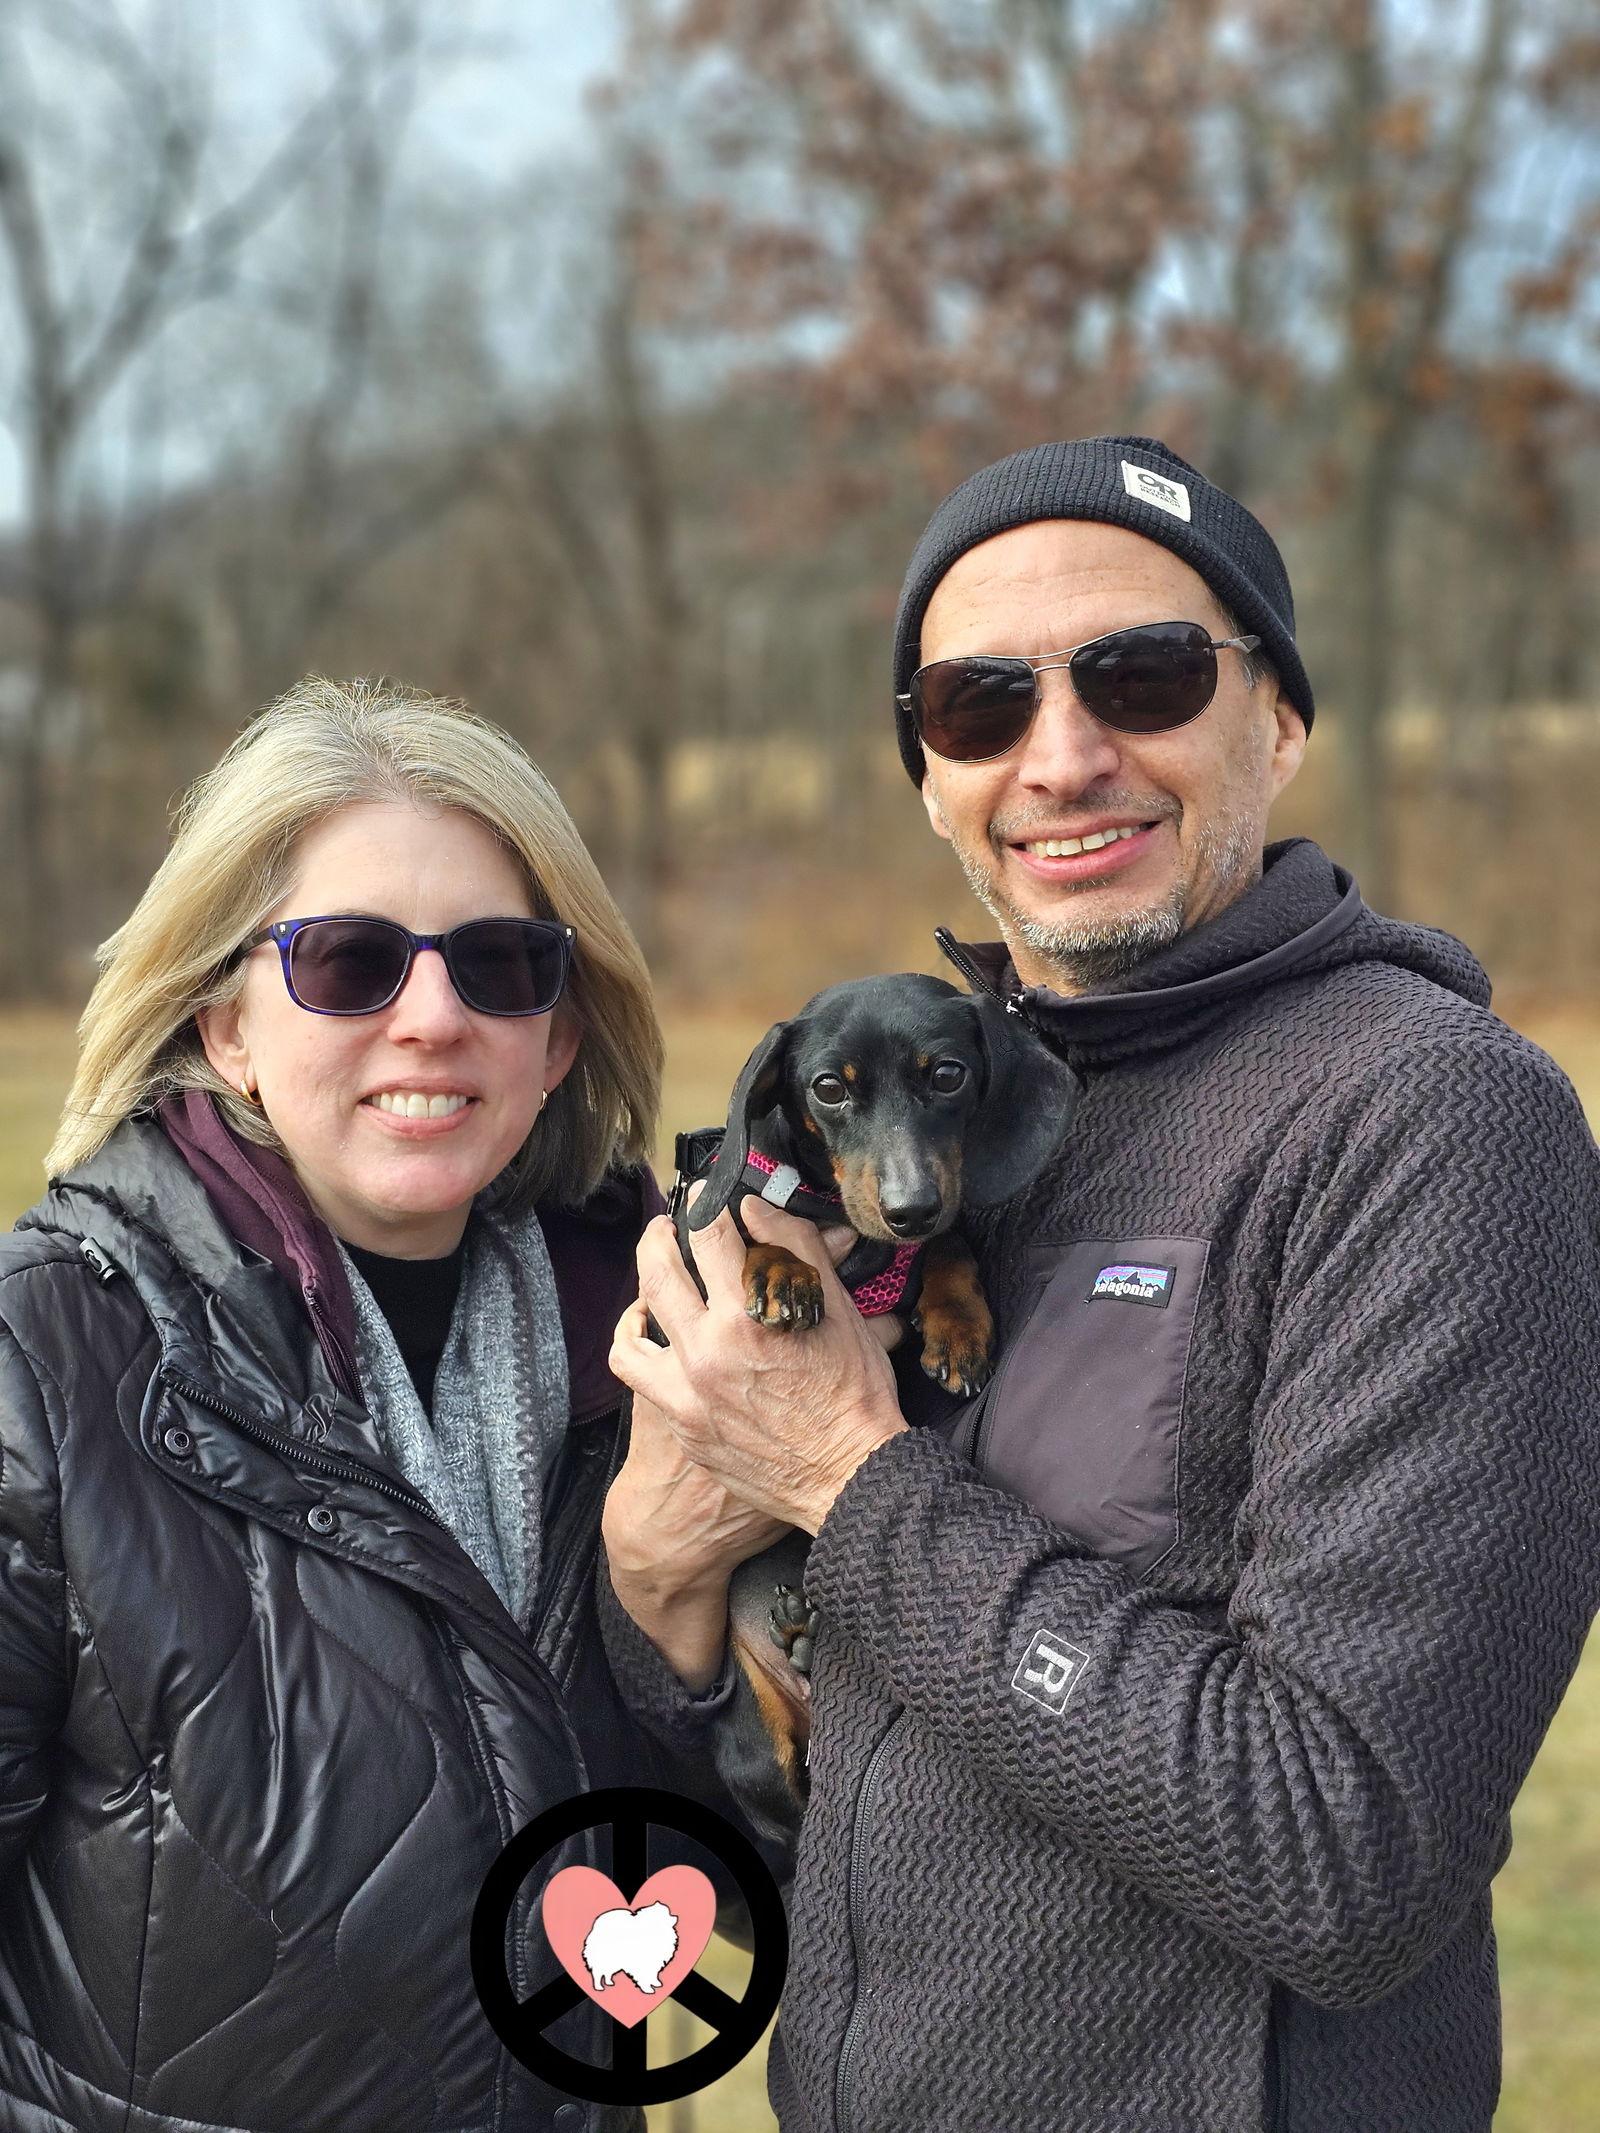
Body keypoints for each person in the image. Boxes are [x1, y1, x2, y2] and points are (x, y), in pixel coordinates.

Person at [601, 437, 1600, 2132]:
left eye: (1140, 674)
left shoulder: (1432, 1120)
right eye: (981, 705)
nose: (1063, 756)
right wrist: (657, 1566)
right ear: (930, 774)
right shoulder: (959, 1116)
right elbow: (798, 1755)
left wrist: (846, 1473)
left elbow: (1343, 1854)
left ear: (1279, 718)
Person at [0, 675, 684, 2133]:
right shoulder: (39, 1364)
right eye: (349, 960)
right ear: (227, 1027)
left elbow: (768, 1862)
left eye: (501, 964)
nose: (433, 1017)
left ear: (558, 1037)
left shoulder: (665, 1361)